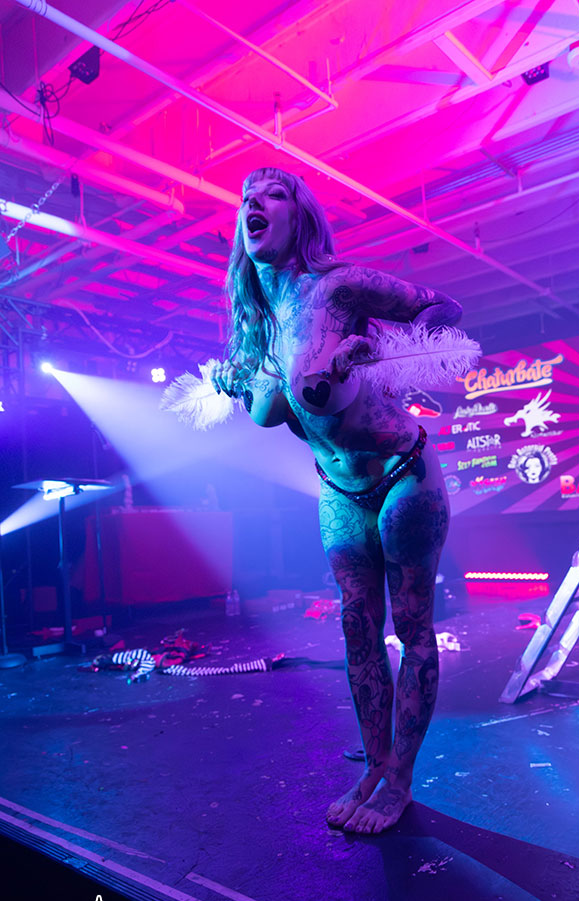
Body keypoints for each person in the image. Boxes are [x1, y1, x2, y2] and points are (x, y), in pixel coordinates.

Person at [210, 167, 464, 835]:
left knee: (412, 627)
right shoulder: (259, 331)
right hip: (339, 490)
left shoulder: (338, 287)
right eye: (246, 196)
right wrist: (236, 383)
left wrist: (374, 349)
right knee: (357, 629)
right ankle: (376, 767)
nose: (254, 201)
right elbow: (268, 408)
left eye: (273, 193)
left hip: (403, 474)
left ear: (300, 216)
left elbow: (443, 309)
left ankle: (400, 780)